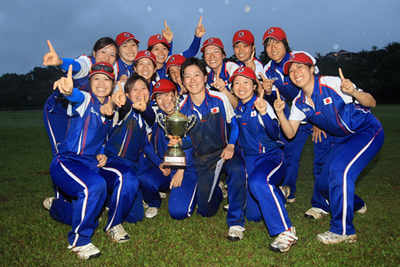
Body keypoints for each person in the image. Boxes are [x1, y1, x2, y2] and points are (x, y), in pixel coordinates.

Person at [274, 52, 384, 244]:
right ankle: (357, 203)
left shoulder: (331, 83)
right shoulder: (299, 102)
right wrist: (280, 113)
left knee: (340, 171)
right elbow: (290, 133)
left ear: (311, 69)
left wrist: (353, 92)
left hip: (366, 131)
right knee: (324, 184)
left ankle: (343, 231)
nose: (295, 72)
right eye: (291, 70)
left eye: (300, 67)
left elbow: (371, 102)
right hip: (342, 140)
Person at [43, 63, 137, 260]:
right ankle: (79, 240)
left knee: (127, 177)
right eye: (96, 78)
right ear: (89, 82)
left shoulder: (112, 109)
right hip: (68, 162)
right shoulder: (85, 99)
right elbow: (76, 96)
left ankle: (113, 224)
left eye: (106, 79)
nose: (101, 83)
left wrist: (102, 152)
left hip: (93, 164)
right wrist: (69, 90)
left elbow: (100, 132)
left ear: (112, 84)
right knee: (94, 187)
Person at [230, 66, 298, 252]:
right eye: (237, 83)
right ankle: (278, 193)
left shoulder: (261, 104)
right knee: (253, 216)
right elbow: (237, 129)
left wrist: (263, 114)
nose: (241, 86)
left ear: (254, 86)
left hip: (270, 158)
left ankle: (285, 231)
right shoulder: (240, 107)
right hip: (250, 160)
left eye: (246, 82)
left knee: (259, 183)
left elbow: (275, 132)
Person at [179, 57, 246, 241]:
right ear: (182, 81)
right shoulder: (181, 108)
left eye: (197, 75)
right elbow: (181, 141)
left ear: (205, 77)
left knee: (237, 169)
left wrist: (231, 145)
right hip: (202, 159)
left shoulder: (220, 98)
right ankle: (218, 189)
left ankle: (236, 223)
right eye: (187, 77)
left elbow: (235, 124)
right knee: (206, 210)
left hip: (225, 152)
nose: (192, 80)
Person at [261, 27, 329, 204]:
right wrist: (268, 92)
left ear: (285, 43)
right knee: (289, 154)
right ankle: (288, 190)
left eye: (276, 42)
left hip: (318, 113)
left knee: (321, 159)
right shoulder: (268, 70)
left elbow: (318, 87)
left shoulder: (300, 57)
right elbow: (277, 100)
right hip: (296, 116)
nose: (273, 47)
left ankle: (321, 202)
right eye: (268, 44)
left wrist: (318, 120)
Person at [137, 79, 198, 219]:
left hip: (187, 169)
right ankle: (154, 202)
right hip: (167, 167)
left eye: (167, 94)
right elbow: (146, 145)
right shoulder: (159, 119)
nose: (164, 101)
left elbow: (195, 146)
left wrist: (181, 169)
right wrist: (160, 163)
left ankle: (200, 188)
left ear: (176, 94)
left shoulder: (187, 115)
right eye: (159, 97)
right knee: (144, 178)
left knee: (178, 212)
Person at [201, 37, 239, 107]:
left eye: (216, 51)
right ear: (204, 58)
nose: (212, 56)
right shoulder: (205, 73)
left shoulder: (232, 69)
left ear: (223, 55)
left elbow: (239, 105)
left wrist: (223, 90)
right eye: (207, 53)